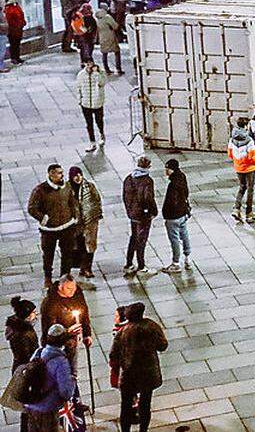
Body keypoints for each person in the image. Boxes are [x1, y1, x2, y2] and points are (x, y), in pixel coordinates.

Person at [110, 302, 168, 432]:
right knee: (145, 404)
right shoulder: (152, 326)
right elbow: (163, 345)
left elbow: (113, 354)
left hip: (129, 374)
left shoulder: (123, 332)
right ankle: (143, 430)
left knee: (126, 406)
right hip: (149, 372)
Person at [28, 164, 78, 286]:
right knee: (48, 255)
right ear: (51, 174)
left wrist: (75, 216)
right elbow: (32, 208)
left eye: (62, 172)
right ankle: (48, 277)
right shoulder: (40, 190)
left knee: (67, 253)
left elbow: (72, 202)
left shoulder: (66, 187)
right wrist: (44, 218)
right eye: (59, 173)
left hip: (67, 226)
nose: (62, 175)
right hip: (49, 229)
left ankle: (65, 276)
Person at [22, 324, 77, 432]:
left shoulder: (39, 352)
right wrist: (73, 380)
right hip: (48, 408)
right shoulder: (61, 362)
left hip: (31, 405)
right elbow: (66, 392)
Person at [40, 276, 91, 373]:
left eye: (74, 287)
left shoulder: (77, 293)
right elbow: (50, 330)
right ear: (60, 287)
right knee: (62, 370)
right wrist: (67, 331)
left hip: (72, 341)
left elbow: (84, 312)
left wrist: (87, 334)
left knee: (73, 368)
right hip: (58, 344)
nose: (73, 291)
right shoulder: (51, 303)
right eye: (69, 288)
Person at [123, 156, 157, 274]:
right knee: (141, 240)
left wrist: (129, 211)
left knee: (133, 238)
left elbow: (125, 197)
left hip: (132, 214)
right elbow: (148, 198)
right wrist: (153, 212)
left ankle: (129, 263)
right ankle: (141, 266)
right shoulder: (147, 181)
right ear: (148, 166)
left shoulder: (128, 178)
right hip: (143, 216)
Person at [67, 167, 102, 279]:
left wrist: (95, 214)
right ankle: (81, 267)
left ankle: (87, 268)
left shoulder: (89, 186)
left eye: (80, 175)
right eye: (75, 176)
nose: (78, 178)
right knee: (79, 245)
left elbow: (97, 200)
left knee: (90, 245)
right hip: (75, 223)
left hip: (90, 221)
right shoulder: (66, 188)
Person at [161, 159, 192, 273]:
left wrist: (166, 214)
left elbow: (171, 201)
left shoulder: (172, 185)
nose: (166, 171)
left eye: (167, 169)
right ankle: (188, 258)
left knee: (174, 239)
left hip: (173, 216)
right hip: (183, 213)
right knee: (184, 235)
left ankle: (176, 263)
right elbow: (186, 193)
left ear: (172, 169)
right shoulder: (182, 177)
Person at [228, 117, 255, 223]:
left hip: (238, 167)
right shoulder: (249, 140)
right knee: (250, 189)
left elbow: (230, 154)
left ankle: (236, 208)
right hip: (249, 168)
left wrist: (238, 162)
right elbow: (252, 156)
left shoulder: (232, 139)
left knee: (242, 187)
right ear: (246, 126)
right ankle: (249, 212)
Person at [75, 60, 107, 152]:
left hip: (97, 102)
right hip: (85, 103)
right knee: (89, 124)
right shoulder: (81, 74)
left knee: (99, 121)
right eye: (87, 64)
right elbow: (78, 87)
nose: (89, 66)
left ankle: (101, 134)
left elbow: (102, 83)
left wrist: (96, 73)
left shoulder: (100, 73)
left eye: (90, 63)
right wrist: (79, 100)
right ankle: (92, 142)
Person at [4, 0, 26, 65]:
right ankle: (13, 58)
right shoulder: (8, 8)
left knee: (17, 44)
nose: (14, 0)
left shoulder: (16, 6)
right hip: (12, 29)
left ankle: (18, 57)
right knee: (13, 44)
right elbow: (9, 19)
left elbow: (21, 15)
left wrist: (23, 23)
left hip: (19, 29)